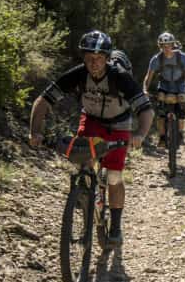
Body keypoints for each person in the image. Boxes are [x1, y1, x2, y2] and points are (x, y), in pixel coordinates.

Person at [28, 30, 153, 247]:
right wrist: (35, 131)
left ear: (106, 58)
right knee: (83, 159)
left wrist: (140, 134)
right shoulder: (77, 74)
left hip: (119, 124)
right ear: (83, 58)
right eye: (89, 58)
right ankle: (85, 192)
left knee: (114, 176)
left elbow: (146, 110)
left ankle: (115, 226)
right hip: (92, 120)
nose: (94, 63)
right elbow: (43, 101)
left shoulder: (120, 77)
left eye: (99, 58)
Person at [142, 32, 185, 147]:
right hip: (164, 86)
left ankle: (180, 134)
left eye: (169, 45)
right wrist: (145, 89)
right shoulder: (156, 59)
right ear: (160, 46)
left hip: (180, 85)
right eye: (163, 46)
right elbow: (148, 77)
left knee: (181, 106)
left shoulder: (182, 57)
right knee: (161, 112)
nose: (166, 48)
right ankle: (162, 137)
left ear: (173, 44)